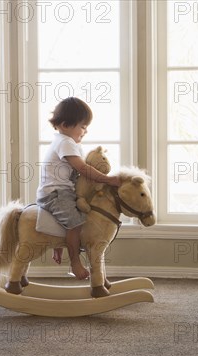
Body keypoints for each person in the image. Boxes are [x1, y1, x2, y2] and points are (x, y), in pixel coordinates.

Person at [36, 97, 121, 280]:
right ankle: (75, 262)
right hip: (55, 193)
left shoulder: (68, 143)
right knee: (76, 222)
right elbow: (83, 169)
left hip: (62, 191)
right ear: (66, 125)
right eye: (82, 126)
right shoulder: (65, 143)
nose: (86, 130)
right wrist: (107, 180)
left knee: (78, 215)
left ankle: (58, 244)